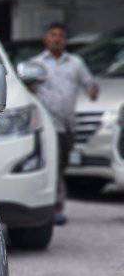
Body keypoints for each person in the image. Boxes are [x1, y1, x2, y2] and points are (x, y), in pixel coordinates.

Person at [27, 22, 99, 225]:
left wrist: (93, 91)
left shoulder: (75, 63)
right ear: (46, 39)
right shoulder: (36, 64)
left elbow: (90, 86)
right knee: (53, 164)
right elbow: (27, 89)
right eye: (53, 35)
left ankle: (52, 205)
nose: (56, 39)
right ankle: (54, 207)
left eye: (60, 35)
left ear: (65, 40)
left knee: (62, 164)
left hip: (68, 125)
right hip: (46, 125)